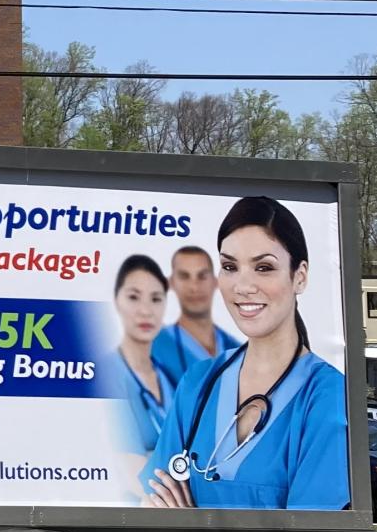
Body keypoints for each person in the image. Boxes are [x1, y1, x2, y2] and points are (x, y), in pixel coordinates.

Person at [144, 197, 348, 510]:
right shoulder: (200, 382)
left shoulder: (327, 395)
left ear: (300, 276)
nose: (243, 286)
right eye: (229, 267)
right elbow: (152, 507)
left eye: (264, 267)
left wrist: (192, 529)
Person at [104, 255, 181, 451]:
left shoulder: (172, 377)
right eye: (133, 297)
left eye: (156, 299)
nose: (146, 311)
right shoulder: (107, 374)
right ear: (116, 300)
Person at [151, 244, 238, 384]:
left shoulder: (237, 350)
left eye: (202, 276)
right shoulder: (154, 348)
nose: (194, 287)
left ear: (216, 282)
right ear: (171, 283)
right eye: (184, 277)